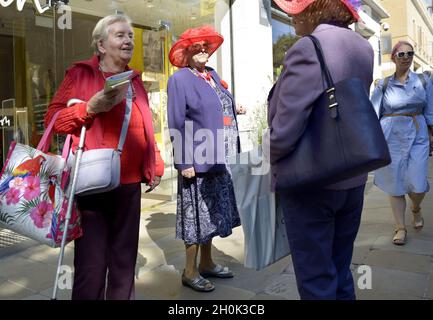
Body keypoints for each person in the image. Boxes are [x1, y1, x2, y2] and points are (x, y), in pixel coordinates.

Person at [44, 14, 165, 300]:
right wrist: (89, 108)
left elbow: (145, 125)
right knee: (91, 266)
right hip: (91, 184)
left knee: (124, 265)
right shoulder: (80, 74)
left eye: (130, 37)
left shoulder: (135, 79)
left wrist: (155, 161)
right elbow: (54, 120)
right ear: (101, 44)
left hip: (129, 183)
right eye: (120, 35)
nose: (128, 41)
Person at [267, 0, 372, 299]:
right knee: (340, 271)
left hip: (311, 179)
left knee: (316, 280)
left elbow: (286, 129)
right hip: (351, 175)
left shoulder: (307, 48)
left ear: (315, 10)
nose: (291, 17)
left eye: (297, 10)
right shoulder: (363, 47)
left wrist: (268, 155)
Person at [167, 26, 241, 292]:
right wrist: (184, 162)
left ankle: (208, 263)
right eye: (196, 47)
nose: (203, 51)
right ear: (186, 51)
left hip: (220, 158)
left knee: (213, 214)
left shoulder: (211, 74)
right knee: (195, 218)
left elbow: (217, 104)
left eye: (205, 47)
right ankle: (189, 271)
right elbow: (176, 122)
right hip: (197, 159)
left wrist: (234, 107)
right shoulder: (179, 80)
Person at [371, 41, 433, 245]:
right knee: (395, 182)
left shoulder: (424, 81)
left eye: (410, 53)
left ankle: (415, 208)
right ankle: (400, 227)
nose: (406, 57)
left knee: (418, 184)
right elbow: (373, 113)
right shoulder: (383, 84)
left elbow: (430, 111)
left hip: (418, 134)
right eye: (401, 54)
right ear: (394, 57)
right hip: (391, 136)